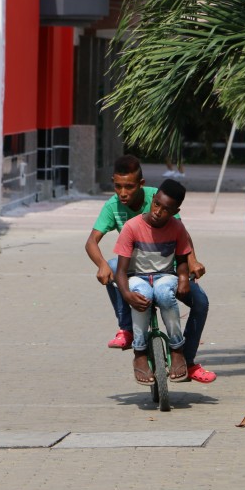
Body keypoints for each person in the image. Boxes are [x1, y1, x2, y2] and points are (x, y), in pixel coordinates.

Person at [84, 154, 215, 383]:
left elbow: (182, 234)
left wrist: (192, 262)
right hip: (133, 270)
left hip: (168, 269)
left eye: (129, 187)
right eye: (118, 186)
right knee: (113, 267)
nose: (123, 193)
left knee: (201, 302)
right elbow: (91, 241)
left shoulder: (162, 197)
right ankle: (127, 329)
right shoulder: (113, 206)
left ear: (142, 186)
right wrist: (102, 265)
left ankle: (187, 360)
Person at [114, 179, 191, 384]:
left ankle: (177, 349)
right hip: (136, 277)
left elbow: (182, 261)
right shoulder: (132, 227)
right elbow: (121, 271)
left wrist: (183, 279)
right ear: (153, 199)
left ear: (176, 211)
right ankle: (140, 354)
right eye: (156, 204)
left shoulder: (177, 228)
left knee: (164, 292)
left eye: (166, 209)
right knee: (143, 295)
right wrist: (126, 294)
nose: (158, 211)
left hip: (164, 275)